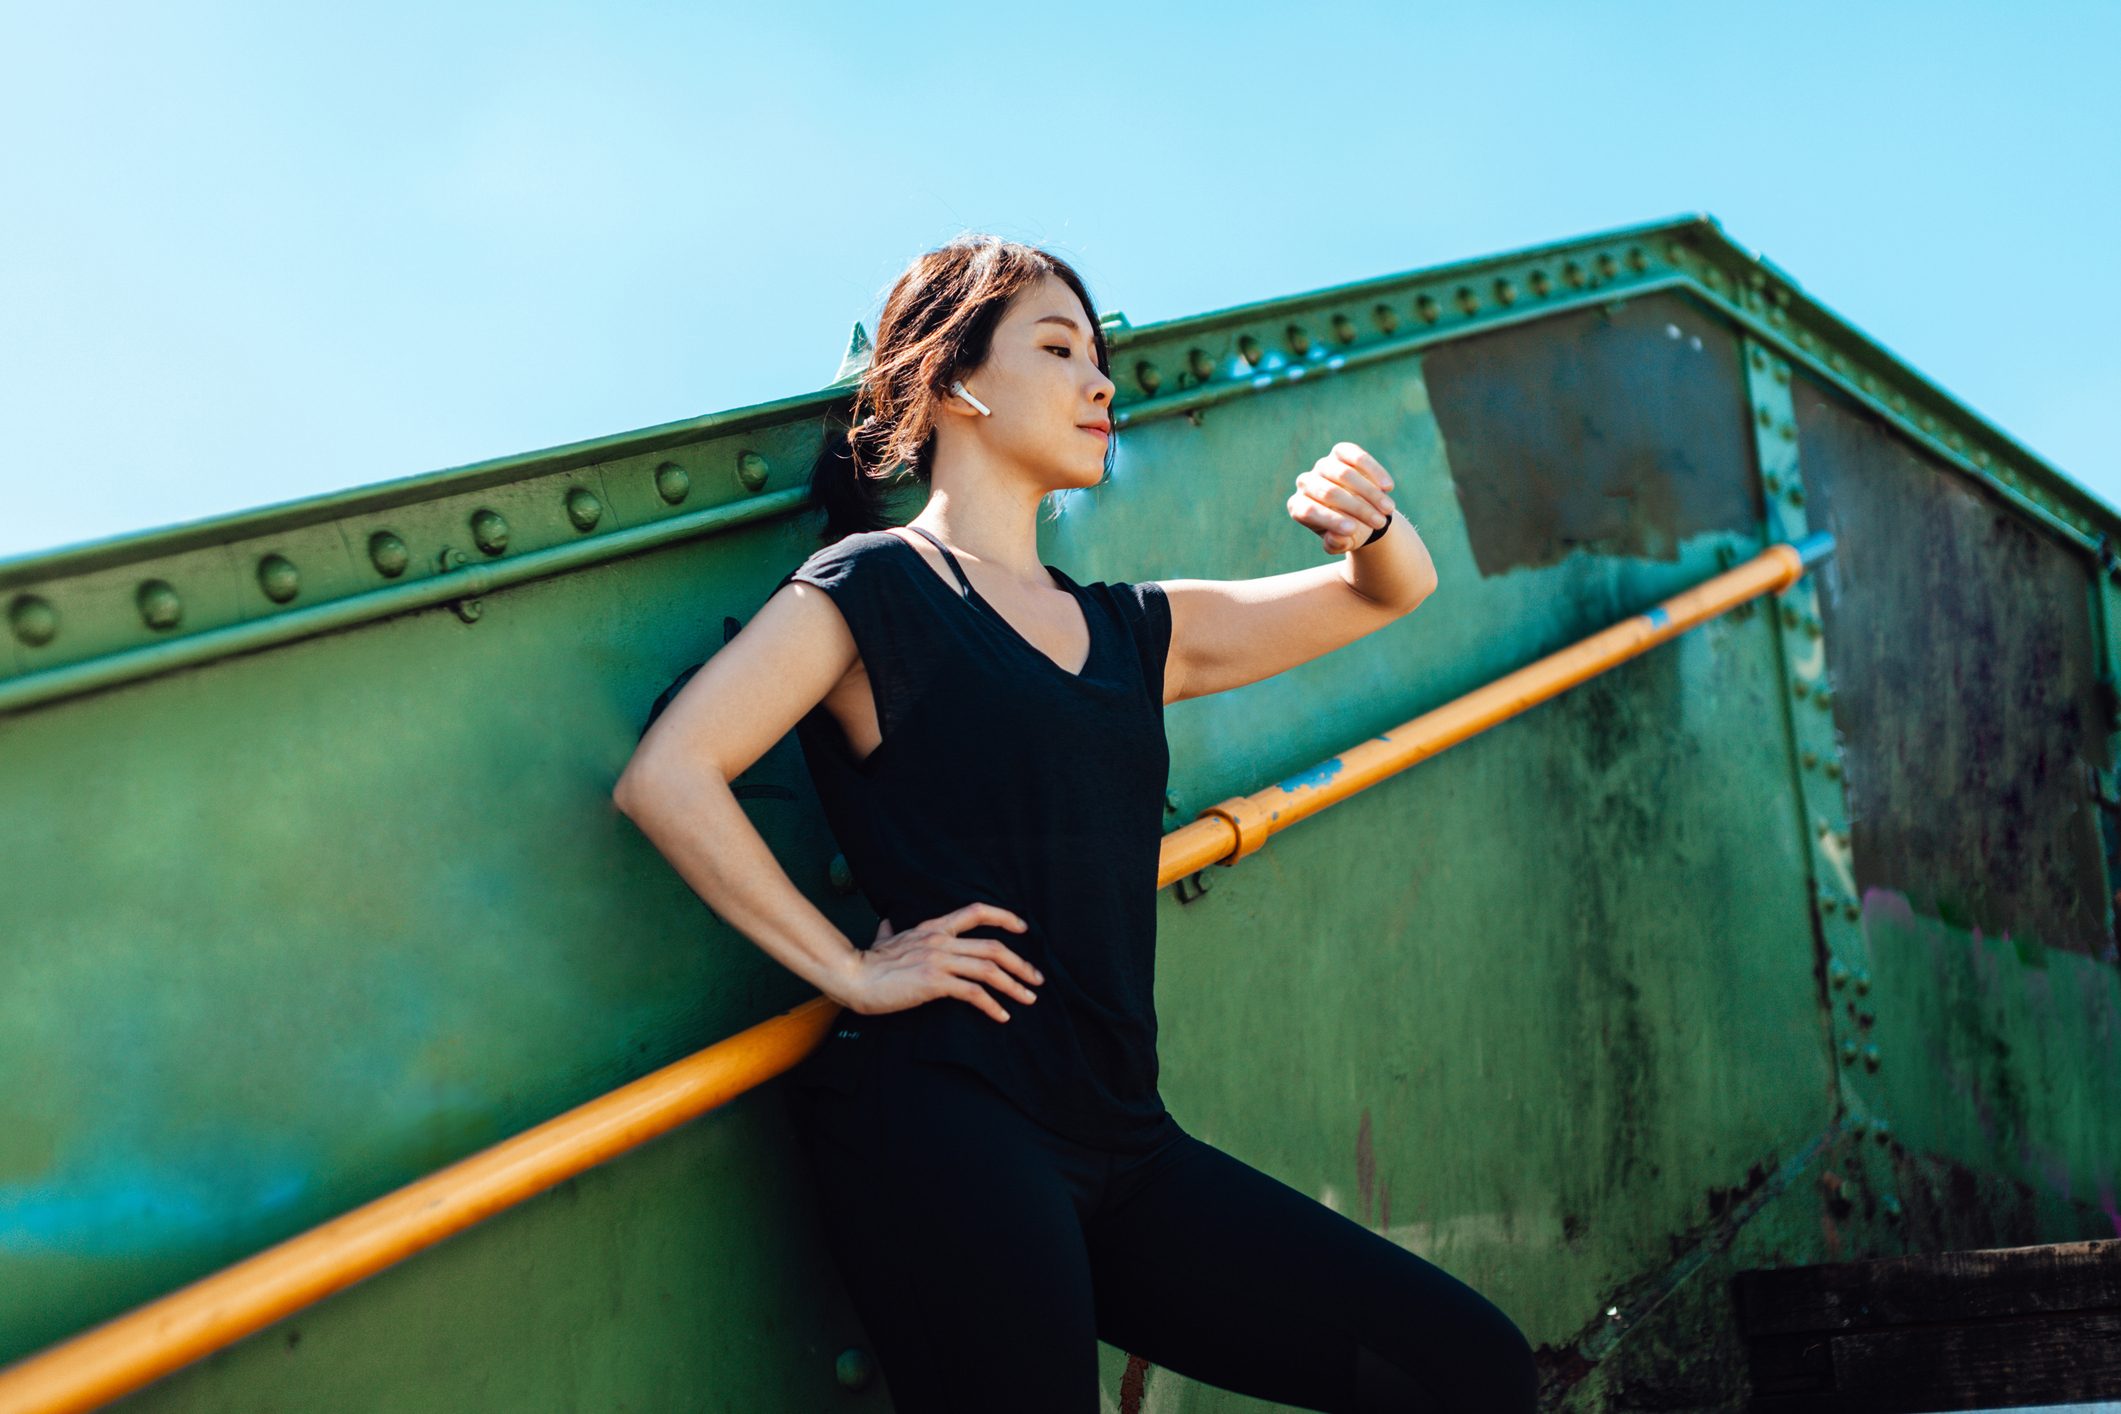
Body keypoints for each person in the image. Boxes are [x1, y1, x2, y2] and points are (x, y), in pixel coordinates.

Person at [611, 234, 1537, 1413]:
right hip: (953, 1121)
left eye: (1102, 357)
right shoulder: (876, 587)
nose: (1101, 383)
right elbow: (670, 775)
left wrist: (1371, 523)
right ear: (955, 381)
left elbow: (1389, 593)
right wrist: (852, 969)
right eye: (1059, 349)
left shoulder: (1135, 630)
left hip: (1127, 1142)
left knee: (1471, 1368)